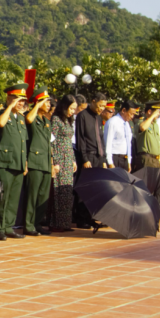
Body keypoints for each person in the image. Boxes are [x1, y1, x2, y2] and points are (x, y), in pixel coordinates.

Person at [0, 83, 29, 240]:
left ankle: (8, 226)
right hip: (4, 162)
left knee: (13, 198)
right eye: (17, 100)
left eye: (22, 100)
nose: (20, 103)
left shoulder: (21, 118)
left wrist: (25, 162)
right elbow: (0, 124)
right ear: (9, 99)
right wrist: (10, 107)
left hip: (18, 162)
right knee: (2, 196)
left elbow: (23, 142)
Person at [24, 87, 58, 236]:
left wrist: (51, 164)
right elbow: (29, 120)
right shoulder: (32, 116)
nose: (49, 105)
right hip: (34, 161)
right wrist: (37, 105)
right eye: (46, 102)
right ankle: (28, 225)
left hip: (45, 162)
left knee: (43, 196)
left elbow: (49, 144)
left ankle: (37, 223)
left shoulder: (46, 121)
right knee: (32, 195)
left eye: (49, 103)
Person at [74, 92, 107, 229]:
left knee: (96, 189)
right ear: (93, 101)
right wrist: (85, 158)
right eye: (100, 105)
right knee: (85, 189)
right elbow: (80, 139)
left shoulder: (98, 118)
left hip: (98, 157)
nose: (101, 109)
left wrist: (103, 159)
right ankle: (81, 219)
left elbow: (101, 139)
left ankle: (91, 217)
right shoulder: (82, 116)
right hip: (88, 156)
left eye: (103, 107)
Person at [51, 95, 78, 232]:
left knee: (67, 191)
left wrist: (73, 160)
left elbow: (69, 142)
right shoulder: (55, 120)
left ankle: (66, 222)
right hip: (59, 158)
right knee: (59, 190)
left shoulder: (68, 121)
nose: (73, 111)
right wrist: (54, 161)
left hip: (68, 158)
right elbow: (52, 141)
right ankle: (57, 222)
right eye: (71, 108)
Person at [104, 100, 138, 172]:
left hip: (124, 159)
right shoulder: (112, 122)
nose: (132, 117)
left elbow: (128, 143)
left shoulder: (127, 124)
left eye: (133, 114)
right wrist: (110, 162)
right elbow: (107, 143)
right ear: (123, 110)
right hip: (115, 158)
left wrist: (128, 161)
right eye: (131, 114)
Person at [135, 101, 160, 172]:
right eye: (157, 112)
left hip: (156, 159)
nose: (159, 114)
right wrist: (152, 116)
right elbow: (143, 127)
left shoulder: (155, 124)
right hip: (147, 158)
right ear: (149, 111)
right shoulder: (141, 122)